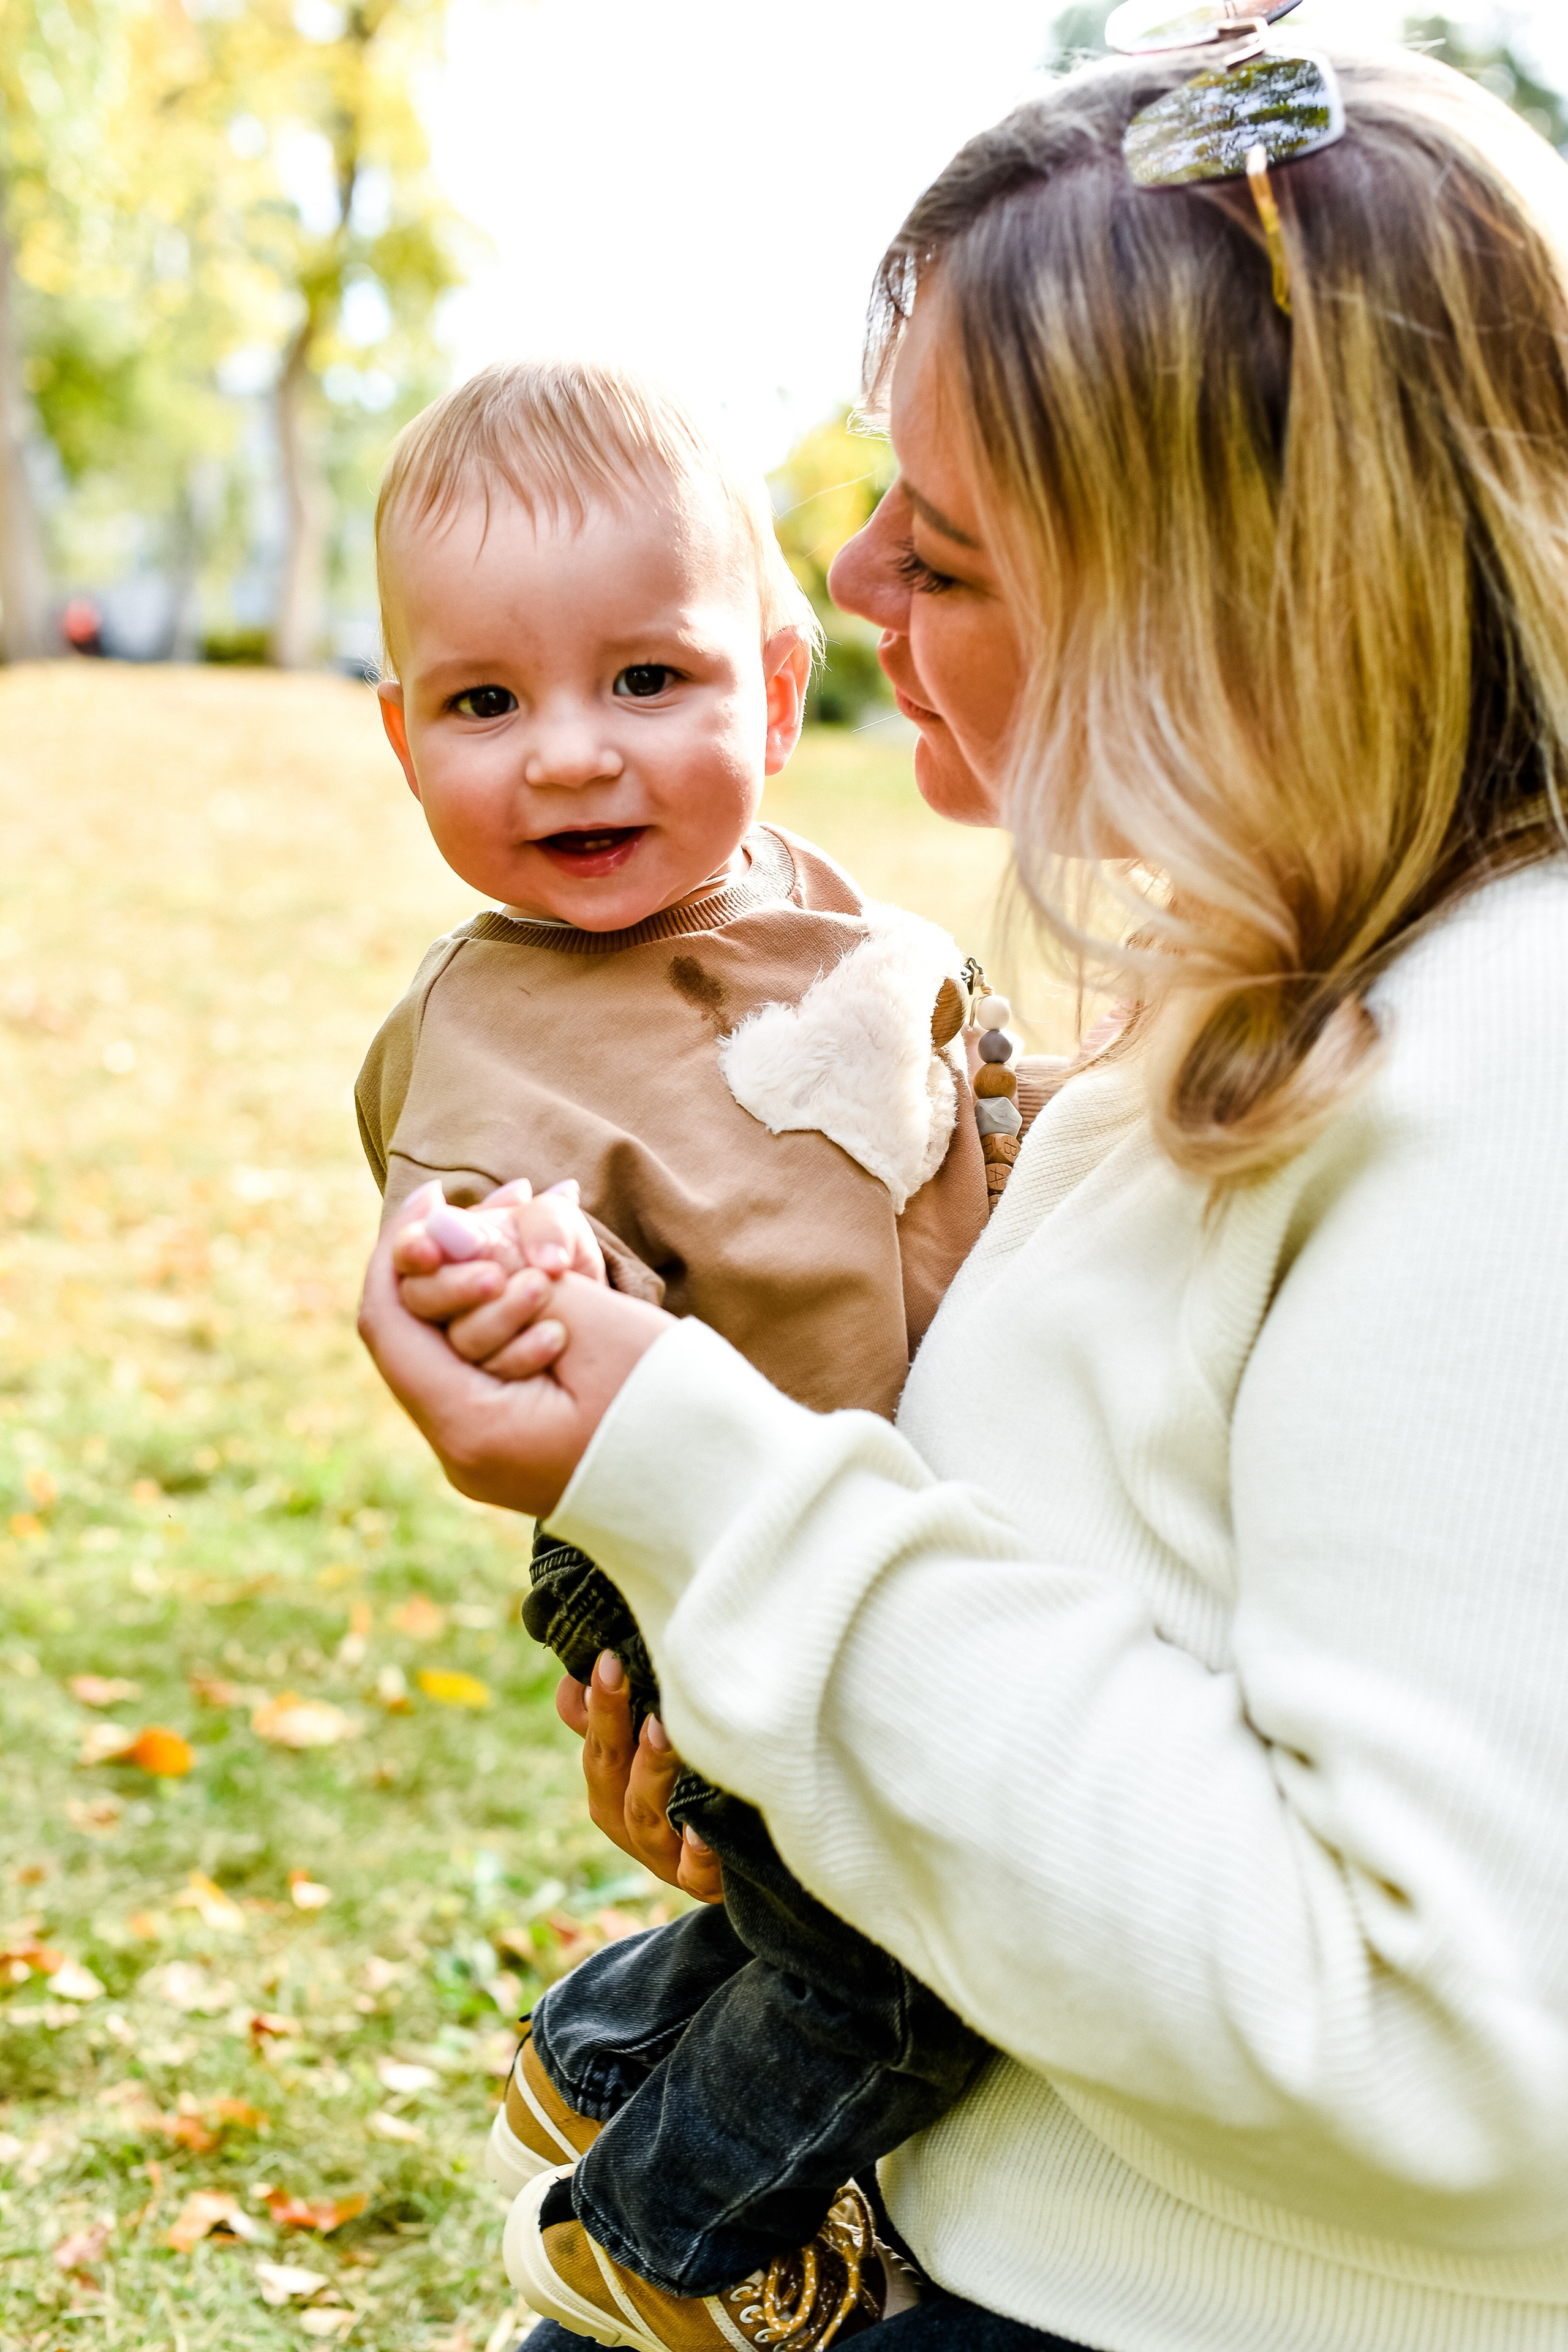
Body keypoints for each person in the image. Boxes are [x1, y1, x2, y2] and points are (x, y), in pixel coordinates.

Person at [361, 39, 1568, 2352]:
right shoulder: (1259, 971)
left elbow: (1447, 2056)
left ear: (1253, 603)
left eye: (953, 544)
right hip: (970, 2208)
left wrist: (712, 1495)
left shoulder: (1507, 1092)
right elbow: (1144, 1669)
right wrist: (825, 1778)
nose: (843, 568)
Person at [361, 359, 1061, 2348]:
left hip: (853, 1496)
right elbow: (478, 1251)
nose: (572, 757)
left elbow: (960, 1091)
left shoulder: (818, 917)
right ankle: (665, 2236)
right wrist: (516, 1271)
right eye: (488, 705)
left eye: (643, 683)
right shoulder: (495, 1034)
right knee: (912, 1947)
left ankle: (597, 2047)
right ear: (405, 744)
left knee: (821, 1898)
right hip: (676, 1530)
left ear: (772, 689)